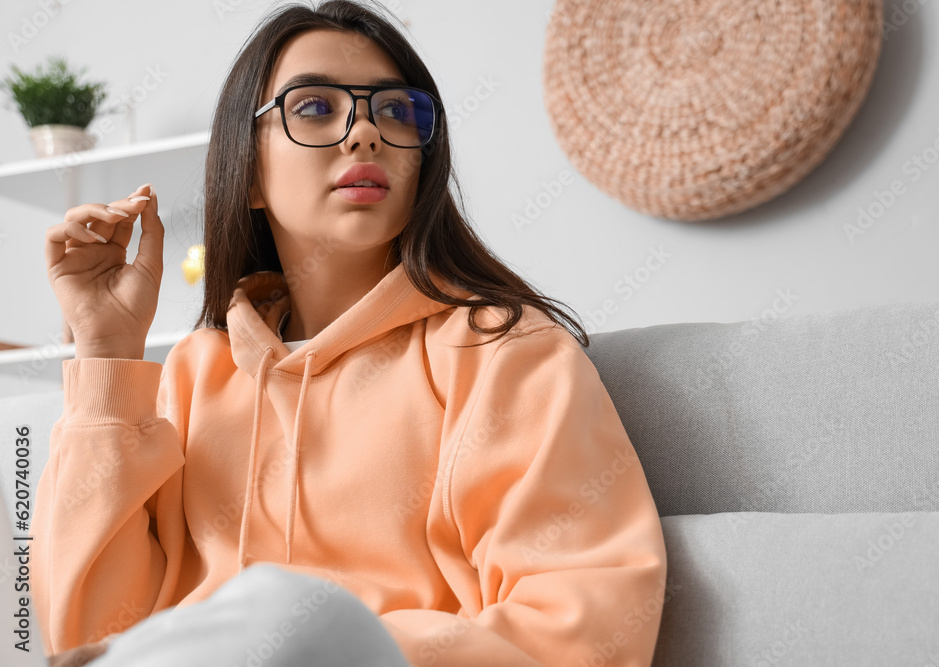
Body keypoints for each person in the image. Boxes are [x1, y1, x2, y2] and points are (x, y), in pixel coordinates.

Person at [35, 1, 668, 665]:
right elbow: (86, 636)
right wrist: (105, 353)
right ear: (247, 170)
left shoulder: (504, 354)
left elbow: (587, 629)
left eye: (396, 111)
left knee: (282, 610)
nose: (365, 131)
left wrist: (326, 644)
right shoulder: (196, 373)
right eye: (314, 107)